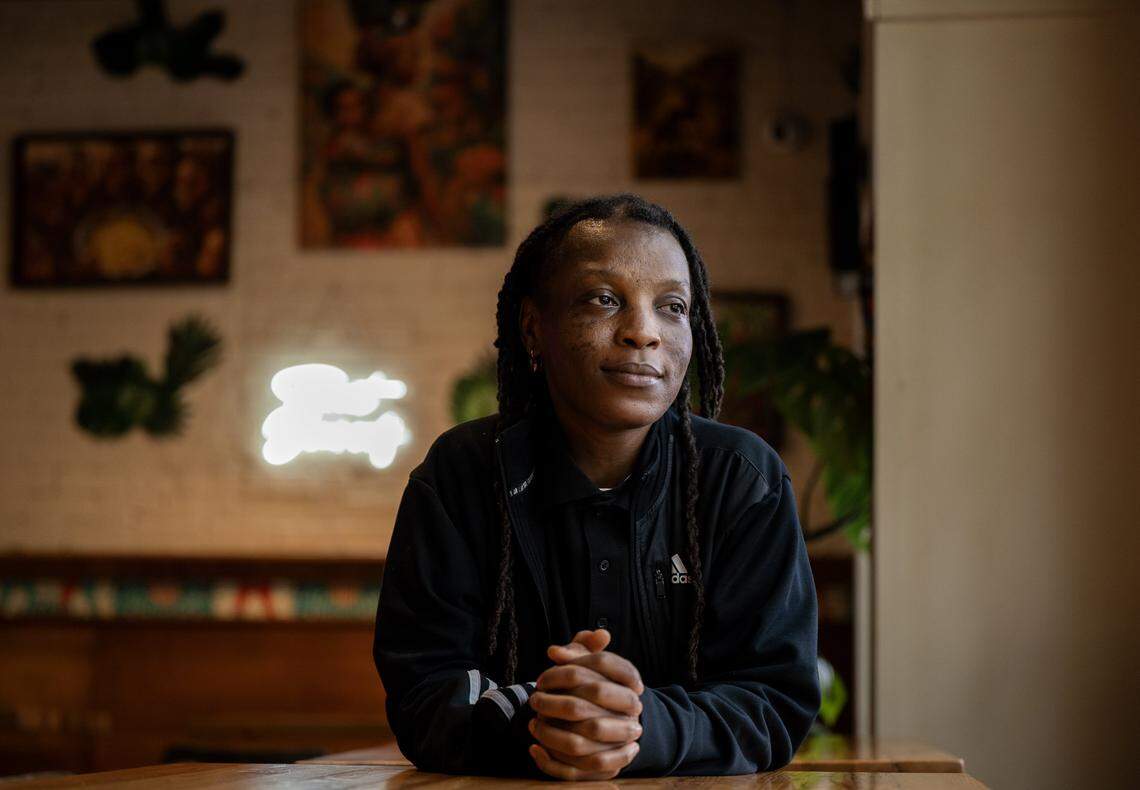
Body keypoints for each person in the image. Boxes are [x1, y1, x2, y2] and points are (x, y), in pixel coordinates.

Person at [374, 194, 820, 779]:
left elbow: (774, 701)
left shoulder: (742, 480)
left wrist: (640, 727)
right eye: (604, 299)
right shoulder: (460, 475)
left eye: (672, 307)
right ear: (533, 328)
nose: (643, 332)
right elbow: (424, 693)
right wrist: (552, 720)